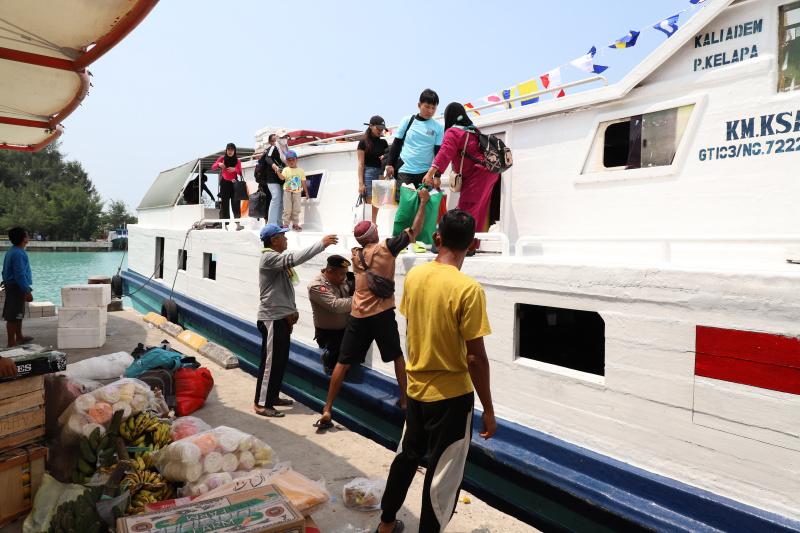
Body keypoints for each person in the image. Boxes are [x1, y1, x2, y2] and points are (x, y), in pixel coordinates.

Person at [375, 209, 496, 533]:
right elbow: (475, 359)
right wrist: (488, 409)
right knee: (443, 477)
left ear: (437, 238)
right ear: (470, 246)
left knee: (407, 456)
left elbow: (417, 324)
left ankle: (386, 524)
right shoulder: (469, 289)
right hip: (452, 398)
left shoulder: (414, 276)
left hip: (416, 390)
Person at [313, 188, 430, 430]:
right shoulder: (386, 248)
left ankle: (327, 409)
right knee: (398, 357)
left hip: (357, 316)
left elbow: (364, 242)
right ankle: (406, 401)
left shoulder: (355, 255)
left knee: (342, 363)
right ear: (373, 234)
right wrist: (422, 202)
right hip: (382, 314)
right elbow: (415, 230)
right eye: (374, 228)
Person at [255, 224, 338, 417]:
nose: (286, 239)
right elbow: (295, 258)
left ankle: (272, 396)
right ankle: (261, 403)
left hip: (281, 319)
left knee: (279, 361)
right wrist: (321, 244)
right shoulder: (269, 258)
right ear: (273, 240)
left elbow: (283, 291)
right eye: (283, 236)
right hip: (272, 319)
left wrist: (291, 314)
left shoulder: (276, 261)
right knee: (269, 363)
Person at [422, 103, 500, 255]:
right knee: (479, 209)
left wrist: (430, 174)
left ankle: (460, 247)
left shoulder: (454, 132)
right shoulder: (474, 130)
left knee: (466, 208)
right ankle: (471, 245)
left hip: (478, 174)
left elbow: (444, 153)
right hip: (490, 173)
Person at [385, 89, 444, 253]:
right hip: (405, 170)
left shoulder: (438, 127)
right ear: (419, 105)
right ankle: (400, 240)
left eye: (433, 108)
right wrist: (389, 164)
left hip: (425, 173)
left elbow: (439, 152)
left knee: (422, 207)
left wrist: (436, 174)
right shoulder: (407, 120)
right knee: (405, 207)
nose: (430, 111)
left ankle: (418, 241)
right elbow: (396, 144)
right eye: (427, 107)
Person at [308, 255, 354, 376]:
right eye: (342, 274)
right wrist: (358, 299)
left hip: (344, 328)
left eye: (346, 274)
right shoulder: (317, 286)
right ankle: (328, 357)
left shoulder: (340, 280)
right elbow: (335, 306)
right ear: (329, 271)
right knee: (336, 360)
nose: (345, 278)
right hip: (328, 333)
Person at [2, 227, 33, 348]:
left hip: (13, 285)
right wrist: (26, 291)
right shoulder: (19, 253)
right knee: (13, 316)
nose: (28, 236)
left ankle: (19, 337)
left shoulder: (12, 251)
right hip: (16, 287)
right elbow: (19, 274)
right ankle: (11, 342)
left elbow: (5, 268)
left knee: (18, 313)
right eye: (27, 234)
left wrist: (5, 279)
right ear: (24, 238)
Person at [357, 115, 389, 224]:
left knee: (376, 209)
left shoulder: (384, 143)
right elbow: (361, 164)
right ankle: (371, 234)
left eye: (382, 129)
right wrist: (361, 183)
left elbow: (389, 158)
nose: (380, 131)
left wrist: (386, 157)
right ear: (371, 126)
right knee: (370, 208)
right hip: (368, 174)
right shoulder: (363, 143)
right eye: (378, 128)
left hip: (380, 175)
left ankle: (373, 233)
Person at [211, 143, 243, 226]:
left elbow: (240, 172)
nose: (230, 151)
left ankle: (238, 224)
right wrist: (219, 164)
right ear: (226, 150)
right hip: (225, 184)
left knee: (235, 204)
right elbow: (213, 167)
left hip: (234, 184)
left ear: (234, 151)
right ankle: (224, 224)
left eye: (232, 150)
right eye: (228, 150)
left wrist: (235, 169)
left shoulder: (237, 160)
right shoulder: (222, 158)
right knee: (225, 204)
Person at [259, 134, 287, 225]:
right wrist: (273, 165)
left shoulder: (286, 148)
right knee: (276, 198)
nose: (284, 139)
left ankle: (279, 223)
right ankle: (271, 223)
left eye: (286, 137)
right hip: (272, 177)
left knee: (281, 201)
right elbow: (268, 158)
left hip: (281, 177)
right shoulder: (273, 148)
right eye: (282, 137)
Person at [281, 150, 310, 231]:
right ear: (286, 161)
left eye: (293, 159)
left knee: (297, 208)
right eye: (289, 160)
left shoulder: (300, 170)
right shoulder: (286, 169)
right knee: (287, 208)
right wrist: (277, 172)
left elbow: (303, 181)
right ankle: (286, 224)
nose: (291, 162)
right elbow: (282, 178)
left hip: (297, 191)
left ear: (296, 159)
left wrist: (306, 192)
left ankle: (295, 224)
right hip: (287, 191)